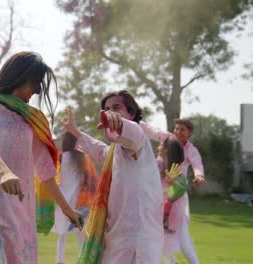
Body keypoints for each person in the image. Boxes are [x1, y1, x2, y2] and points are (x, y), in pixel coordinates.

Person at [0, 51, 82, 264]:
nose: (38, 90)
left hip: (20, 217)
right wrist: (4, 171)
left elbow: (46, 170)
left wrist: (67, 209)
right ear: (21, 76)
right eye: (36, 82)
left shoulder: (30, 118)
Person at [64, 90, 163, 264]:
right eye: (107, 109)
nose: (110, 112)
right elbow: (100, 149)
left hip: (138, 243)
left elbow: (131, 131)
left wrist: (119, 124)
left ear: (131, 114)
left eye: (116, 107)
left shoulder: (138, 140)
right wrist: (76, 132)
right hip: (116, 238)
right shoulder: (114, 152)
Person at [140, 119, 204, 263]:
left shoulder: (191, 150)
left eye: (182, 129)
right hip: (160, 198)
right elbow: (149, 129)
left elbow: (197, 163)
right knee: (160, 236)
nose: (178, 132)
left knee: (182, 237)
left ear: (189, 133)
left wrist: (199, 175)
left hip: (176, 196)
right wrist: (132, 117)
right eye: (176, 129)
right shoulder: (166, 139)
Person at [52, 132, 99, 264]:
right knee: (81, 234)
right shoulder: (83, 158)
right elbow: (91, 180)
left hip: (64, 200)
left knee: (62, 235)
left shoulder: (60, 157)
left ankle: (59, 261)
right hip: (80, 200)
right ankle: (83, 260)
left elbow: (56, 178)